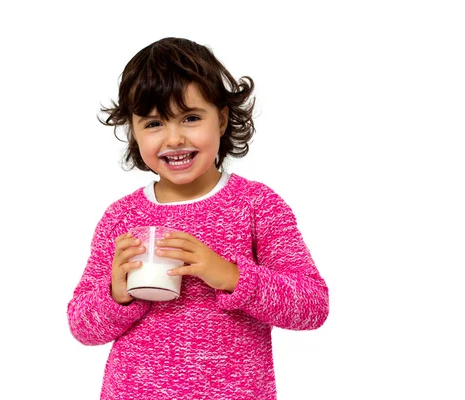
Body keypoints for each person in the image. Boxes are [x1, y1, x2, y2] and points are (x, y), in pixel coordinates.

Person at [67, 37, 329, 400]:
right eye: (154, 123)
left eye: (190, 118)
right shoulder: (122, 216)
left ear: (221, 119)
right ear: (133, 130)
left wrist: (230, 276)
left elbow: (312, 307)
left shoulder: (255, 205)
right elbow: (82, 326)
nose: (174, 138)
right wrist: (117, 292)